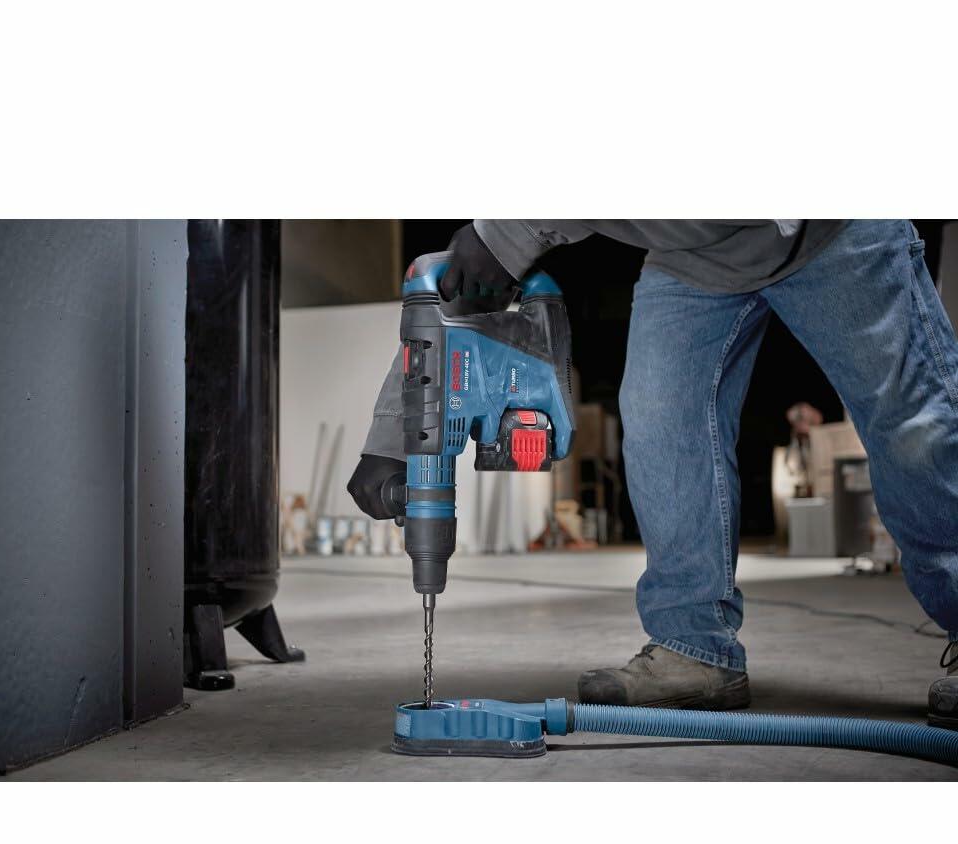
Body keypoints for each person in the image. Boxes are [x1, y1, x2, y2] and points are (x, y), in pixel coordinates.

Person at [348, 220, 958, 728]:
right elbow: (445, 307)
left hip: (831, 226)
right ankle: (696, 650)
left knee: (916, 431)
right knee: (661, 421)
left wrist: (506, 233)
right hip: (693, 259)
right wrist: (392, 433)